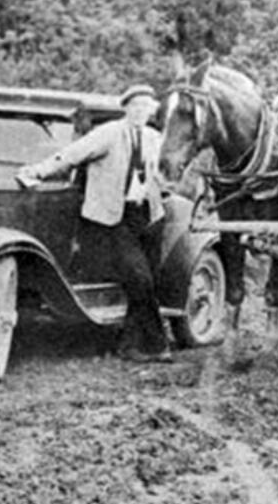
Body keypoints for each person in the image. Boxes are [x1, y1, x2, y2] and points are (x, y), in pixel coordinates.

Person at [17, 83, 172, 363]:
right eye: (135, 106)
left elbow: (166, 171)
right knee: (140, 278)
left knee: (147, 284)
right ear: (126, 108)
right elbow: (73, 154)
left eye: (146, 107)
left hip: (148, 217)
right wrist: (37, 171)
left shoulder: (153, 138)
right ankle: (157, 344)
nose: (140, 112)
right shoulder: (109, 133)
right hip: (113, 217)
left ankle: (129, 345)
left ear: (152, 112)